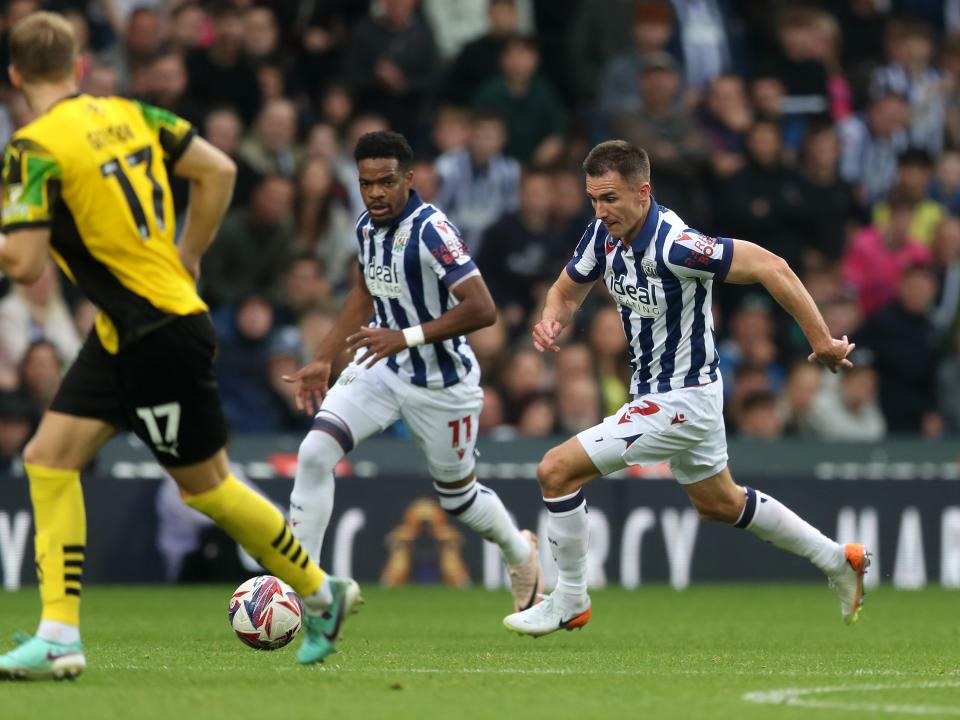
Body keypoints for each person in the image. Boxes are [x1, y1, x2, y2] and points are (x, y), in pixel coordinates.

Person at [0, 13, 354, 679]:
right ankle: (57, 634)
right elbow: (217, 168)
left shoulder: (31, 148)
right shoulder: (131, 114)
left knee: (208, 488)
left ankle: (318, 590)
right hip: (128, 330)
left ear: (15, 77)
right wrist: (189, 251)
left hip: (155, 333)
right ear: (79, 68)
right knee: (48, 459)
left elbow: (21, 264)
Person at [503, 140, 869, 638]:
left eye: (610, 198)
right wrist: (551, 320)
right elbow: (565, 291)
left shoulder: (678, 245)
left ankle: (570, 599)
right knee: (720, 503)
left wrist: (822, 340)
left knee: (555, 471)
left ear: (643, 191)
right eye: (593, 198)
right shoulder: (601, 236)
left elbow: (771, 266)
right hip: (665, 395)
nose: (600, 210)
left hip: (683, 400)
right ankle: (838, 560)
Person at [282, 131, 543, 615]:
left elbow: (483, 308)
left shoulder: (432, 230)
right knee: (315, 452)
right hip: (381, 369)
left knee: (460, 501)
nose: (376, 193)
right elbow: (364, 291)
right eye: (366, 184)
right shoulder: (365, 227)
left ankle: (520, 552)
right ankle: (309, 595)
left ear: (409, 178)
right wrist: (323, 356)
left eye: (386, 182)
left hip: (443, 385)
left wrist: (404, 336)